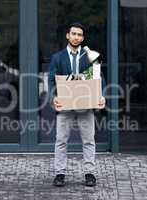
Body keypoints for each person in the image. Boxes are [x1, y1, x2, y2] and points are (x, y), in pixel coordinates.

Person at [48, 22, 106, 187]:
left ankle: (89, 173)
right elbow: (51, 80)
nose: (76, 37)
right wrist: (54, 98)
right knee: (61, 140)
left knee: (88, 140)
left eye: (80, 35)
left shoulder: (89, 56)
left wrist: (101, 96)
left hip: (85, 104)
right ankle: (60, 173)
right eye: (73, 34)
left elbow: (98, 77)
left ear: (83, 38)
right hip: (65, 105)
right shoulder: (57, 58)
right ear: (68, 35)